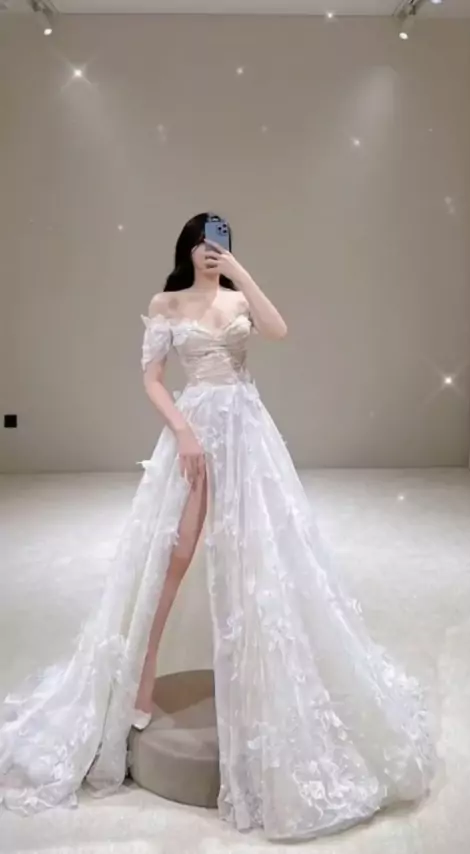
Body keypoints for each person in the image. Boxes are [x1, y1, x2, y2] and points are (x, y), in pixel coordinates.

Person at [0, 212, 435, 840]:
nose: (211, 252)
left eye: (220, 243)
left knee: (256, 560)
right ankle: (141, 678)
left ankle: (259, 692)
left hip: (247, 431)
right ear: (187, 248)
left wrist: (240, 273)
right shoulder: (167, 303)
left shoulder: (237, 297)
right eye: (203, 244)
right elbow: (151, 379)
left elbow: (279, 329)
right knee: (173, 555)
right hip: (197, 428)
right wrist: (182, 430)